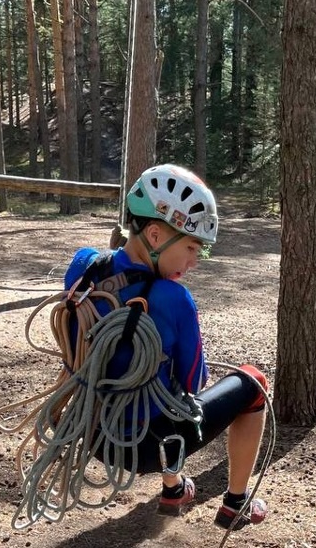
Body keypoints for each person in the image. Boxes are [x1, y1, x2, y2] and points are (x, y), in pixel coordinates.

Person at [62, 164, 268, 529]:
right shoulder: (175, 299)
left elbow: (73, 341)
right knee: (252, 384)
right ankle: (236, 503)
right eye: (191, 247)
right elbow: (193, 385)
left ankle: (174, 490)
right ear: (155, 235)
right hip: (146, 448)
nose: (193, 262)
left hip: (93, 434)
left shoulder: (84, 266)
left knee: (153, 387)